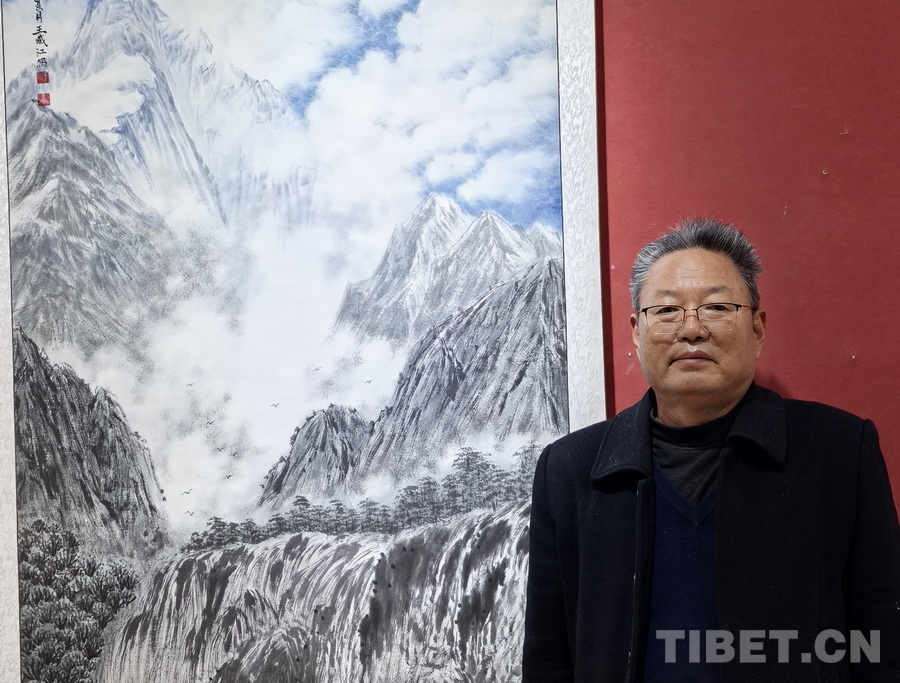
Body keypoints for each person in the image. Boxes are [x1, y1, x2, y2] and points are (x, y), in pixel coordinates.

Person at [522, 218, 900, 682]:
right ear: (636, 331)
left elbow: (883, 639)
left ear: (757, 328)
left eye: (717, 307)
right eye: (666, 310)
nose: (692, 330)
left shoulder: (839, 451)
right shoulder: (570, 470)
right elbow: (549, 656)